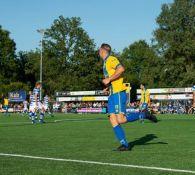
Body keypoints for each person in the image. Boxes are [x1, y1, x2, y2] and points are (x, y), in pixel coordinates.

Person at [99, 43, 157, 151]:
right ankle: (125, 144)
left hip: (118, 93)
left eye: (99, 50)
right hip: (112, 94)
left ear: (102, 50)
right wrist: (107, 87)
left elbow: (121, 69)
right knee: (112, 119)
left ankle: (143, 114)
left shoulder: (111, 59)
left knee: (120, 120)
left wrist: (109, 80)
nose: (98, 52)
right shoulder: (105, 62)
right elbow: (115, 76)